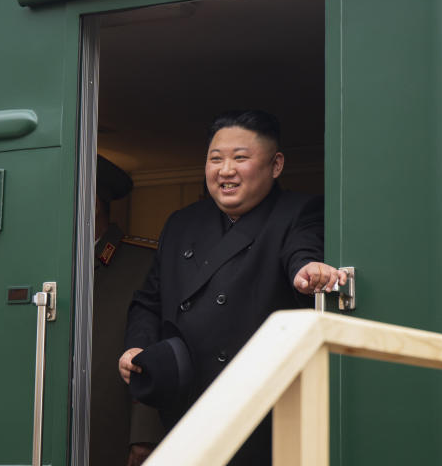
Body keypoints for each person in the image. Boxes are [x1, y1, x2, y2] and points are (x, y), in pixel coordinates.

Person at [118, 110, 346, 465]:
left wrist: (308, 270)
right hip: (186, 409)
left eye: (240, 158)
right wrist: (136, 347)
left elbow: (301, 252)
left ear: (276, 164)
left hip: (259, 412)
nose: (225, 170)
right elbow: (149, 300)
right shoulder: (181, 222)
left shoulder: (300, 211)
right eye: (216, 159)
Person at [90, 156, 165, 466]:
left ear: (92, 203)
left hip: (113, 435)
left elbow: (160, 346)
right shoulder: (44, 261)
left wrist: (145, 433)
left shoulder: (144, 262)